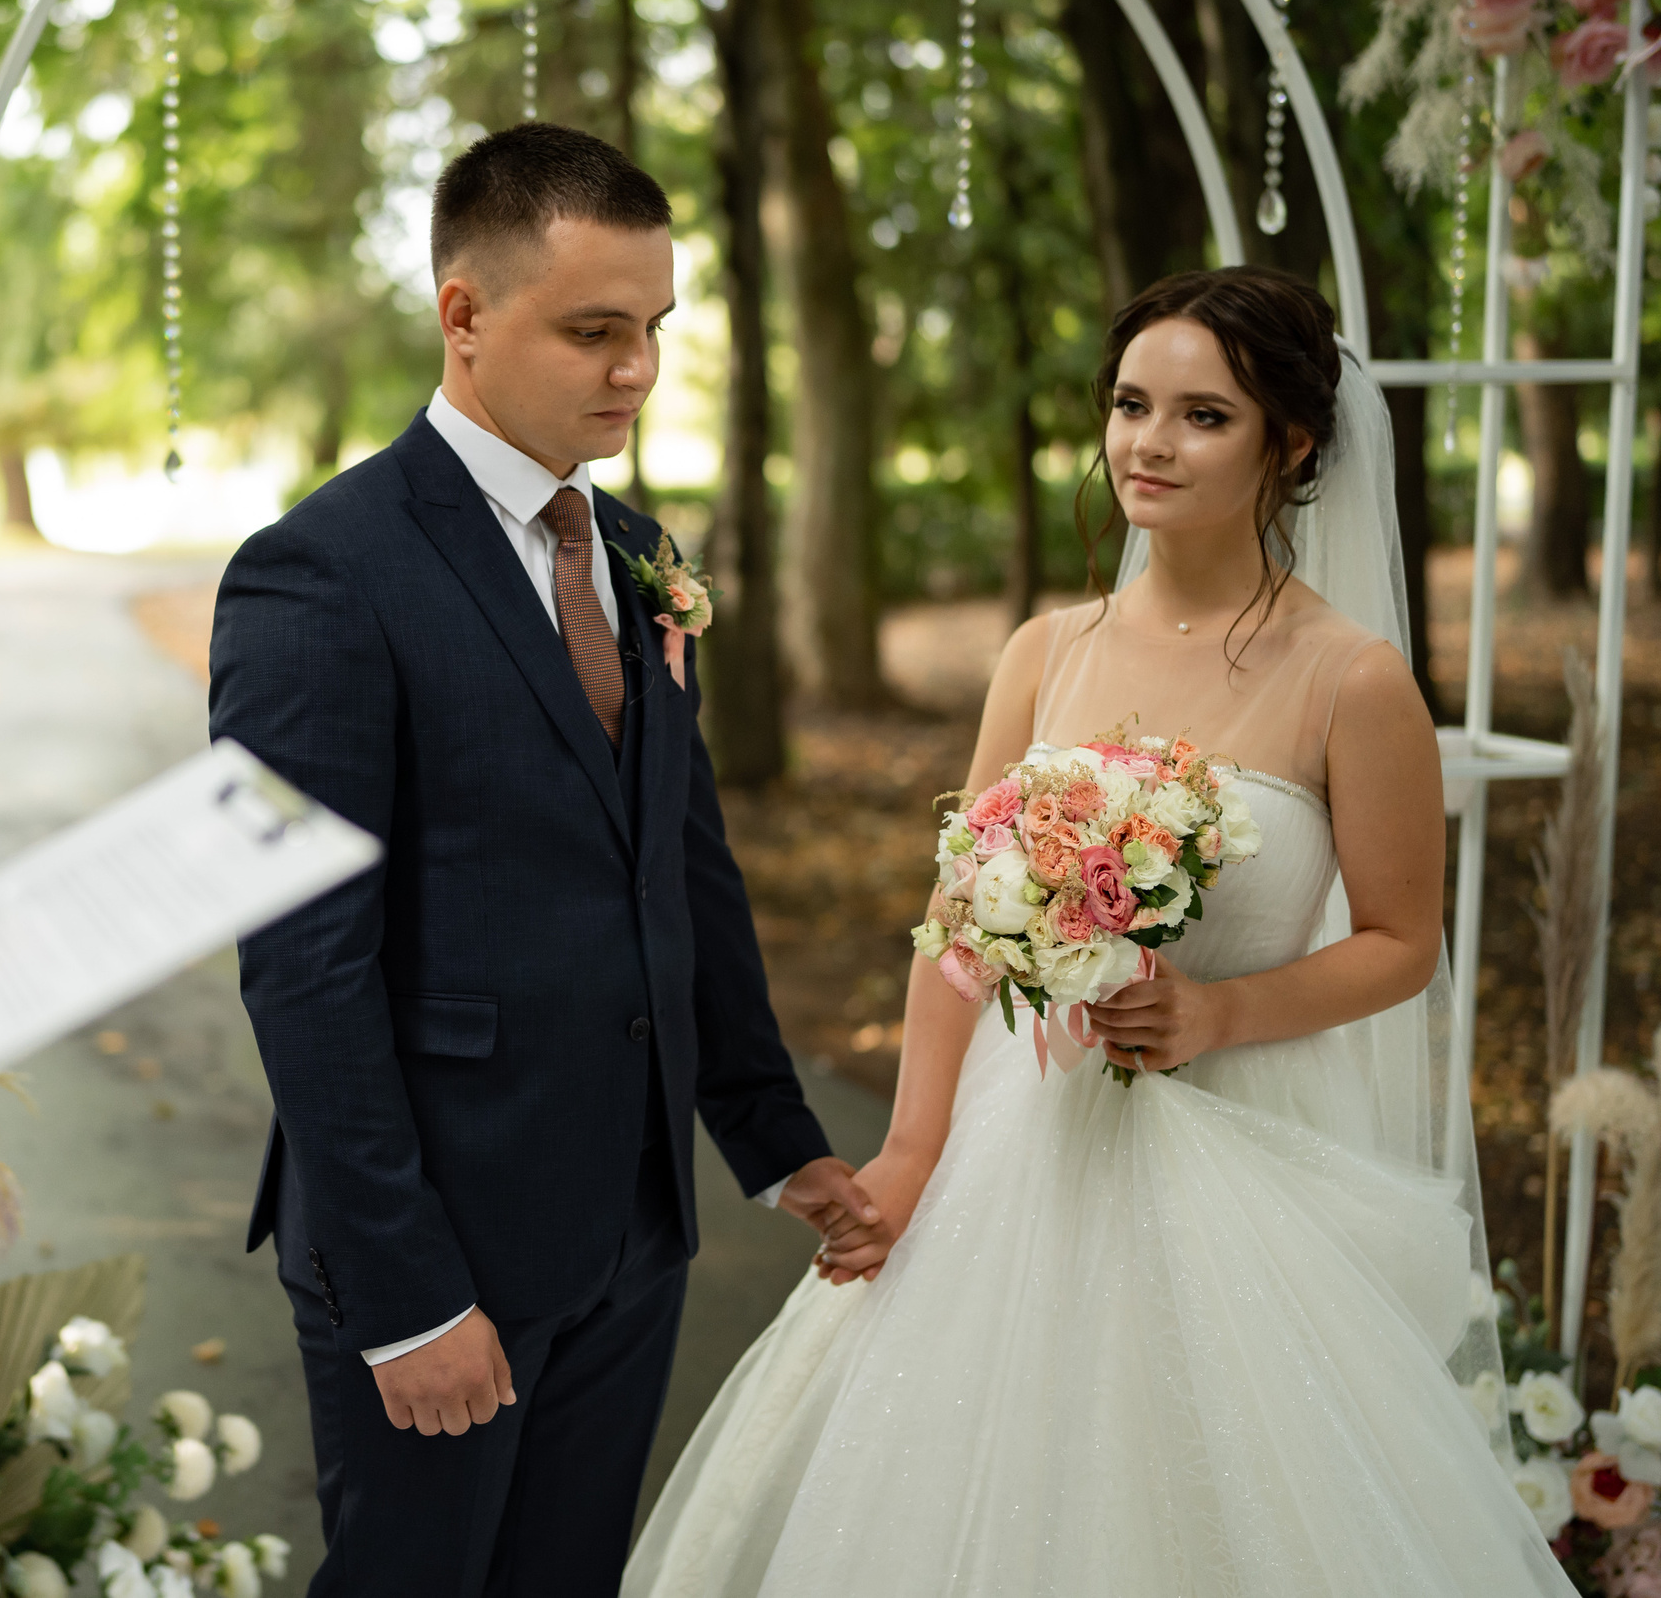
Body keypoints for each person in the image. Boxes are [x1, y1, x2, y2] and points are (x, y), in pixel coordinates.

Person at [625, 266, 1573, 1595]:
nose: (1150, 442)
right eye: (1132, 405)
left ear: (1291, 446)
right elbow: (959, 921)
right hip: (1022, 1143)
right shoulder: (1045, 651)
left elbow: (1403, 942)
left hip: (1243, 1145)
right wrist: (913, 1150)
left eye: (1203, 415)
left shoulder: (1353, 680)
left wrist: (1216, 1012)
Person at [207, 121, 880, 1595]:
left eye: (654, 328)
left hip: (632, 1226)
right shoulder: (319, 573)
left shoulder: (636, 549)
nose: (637, 368)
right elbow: (302, 967)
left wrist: (775, 1136)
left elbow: (681, 865)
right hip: (439, 1238)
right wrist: (405, 1296)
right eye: (594, 331)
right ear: (463, 314)